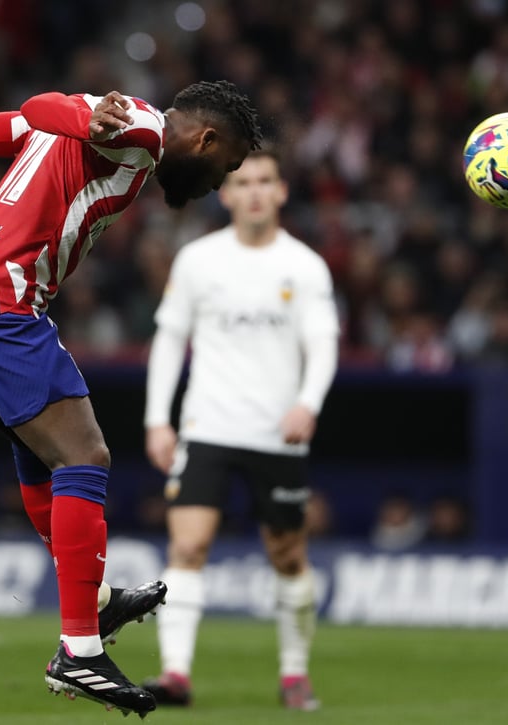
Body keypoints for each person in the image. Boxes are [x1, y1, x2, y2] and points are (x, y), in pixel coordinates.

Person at [0, 81, 261, 717]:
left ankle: (94, 602)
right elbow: (51, 109)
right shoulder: (145, 131)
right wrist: (84, 114)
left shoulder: (82, 132)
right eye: (227, 166)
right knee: (84, 457)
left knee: (41, 456)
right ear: (206, 140)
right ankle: (79, 650)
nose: (219, 183)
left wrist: (65, 119)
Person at [141, 150, 339, 710]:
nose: (255, 191)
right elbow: (169, 340)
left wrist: (308, 404)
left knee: (288, 555)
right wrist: (157, 419)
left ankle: (294, 674)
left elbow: (323, 343)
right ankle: (175, 674)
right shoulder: (198, 260)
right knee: (188, 545)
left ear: (281, 192)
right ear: (224, 194)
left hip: (277, 433)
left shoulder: (305, 266)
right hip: (207, 426)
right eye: (243, 182)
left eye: (265, 181)